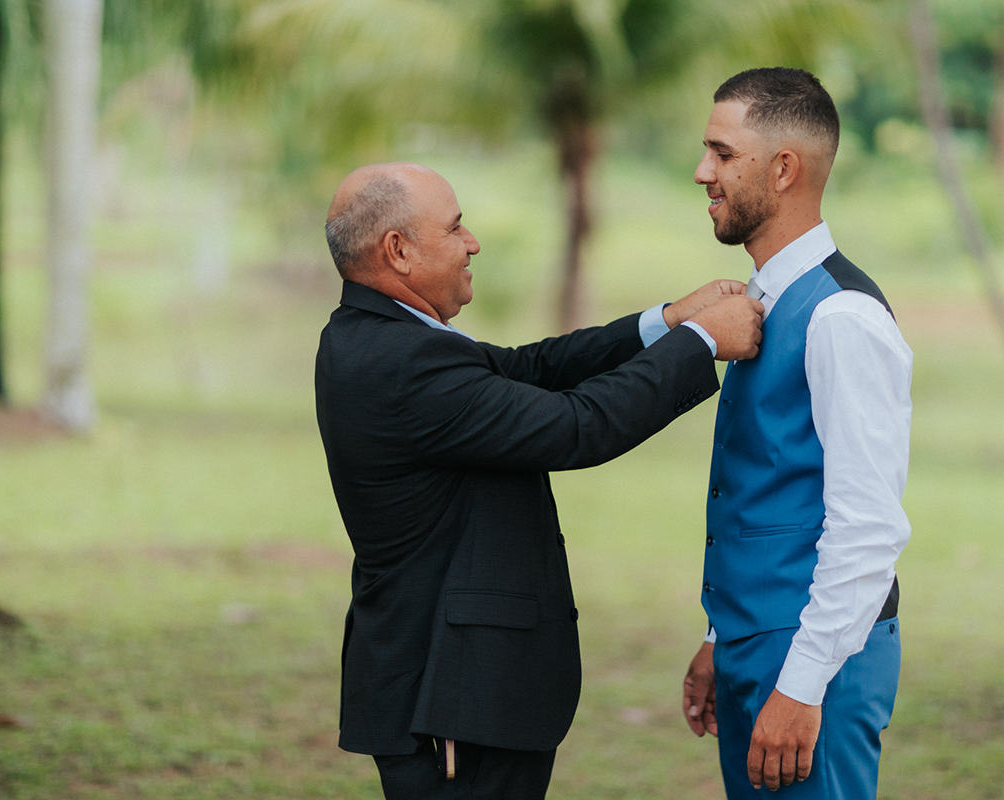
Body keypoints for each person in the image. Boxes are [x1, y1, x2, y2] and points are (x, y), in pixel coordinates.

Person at [315, 161, 764, 800]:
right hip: (448, 701)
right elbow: (577, 426)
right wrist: (698, 342)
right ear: (400, 251)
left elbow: (530, 369)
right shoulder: (400, 362)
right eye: (456, 227)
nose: (472, 242)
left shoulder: (382, 337)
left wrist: (664, 321)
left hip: (452, 691)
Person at [680, 68, 914, 798]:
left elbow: (868, 528)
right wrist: (726, 639)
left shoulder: (843, 318)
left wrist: (803, 686)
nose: (702, 173)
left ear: (784, 169)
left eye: (722, 153)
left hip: (815, 662)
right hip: (760, 646)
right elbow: (772, 489)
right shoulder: (762, 299)